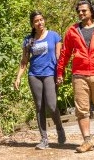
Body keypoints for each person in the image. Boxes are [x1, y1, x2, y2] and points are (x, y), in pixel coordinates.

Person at [56, 0, 94, 153]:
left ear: (91, 11)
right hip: (79, 75)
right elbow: (65, 53)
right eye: (79, 11)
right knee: (82, 110)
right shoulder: (72, 31)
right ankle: (87, 141)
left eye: (84, 10)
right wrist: (60, 72)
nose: (80, 13)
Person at [14, 11, 67, 150]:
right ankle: (44, 139)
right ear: (32, 24)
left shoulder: (54, 36)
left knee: (52, 105)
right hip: (34, 75)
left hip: (50, 74)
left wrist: (60, 74)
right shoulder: (28, 40)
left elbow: (59, 57)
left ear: (44, 20)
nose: (40, 23)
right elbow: (24, 61)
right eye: (36, 21)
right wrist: (18, 77)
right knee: (39, 106)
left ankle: (59, 128)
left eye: (41, 19)